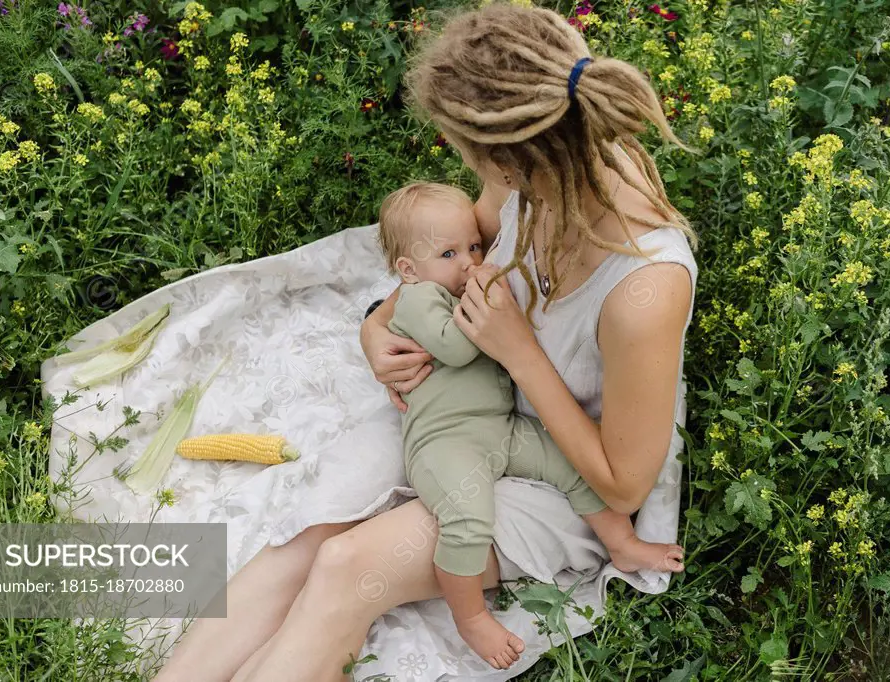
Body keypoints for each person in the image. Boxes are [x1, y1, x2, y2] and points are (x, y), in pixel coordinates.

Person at [152, 4, 698, 681]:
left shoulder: (645, 285)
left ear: (505, 153)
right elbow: (454, 253)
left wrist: (517, 350)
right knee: (308, 534)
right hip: (464, 399)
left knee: (348, 567)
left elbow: (623, 484)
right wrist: (378, 325)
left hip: (566, 468)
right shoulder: (536, 165)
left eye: (463, 149)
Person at [376, 181, 684, 668]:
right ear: (409, 270)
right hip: (447, 442)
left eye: (475, 248)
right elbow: (456, 347)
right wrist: (378, 327)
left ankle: (622, 544)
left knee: (567, 464)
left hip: (500, 428)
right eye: (450, 253)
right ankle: (471, 618)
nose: (469, 263)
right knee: (465, 520)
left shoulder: (644, 281)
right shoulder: (420, 298)